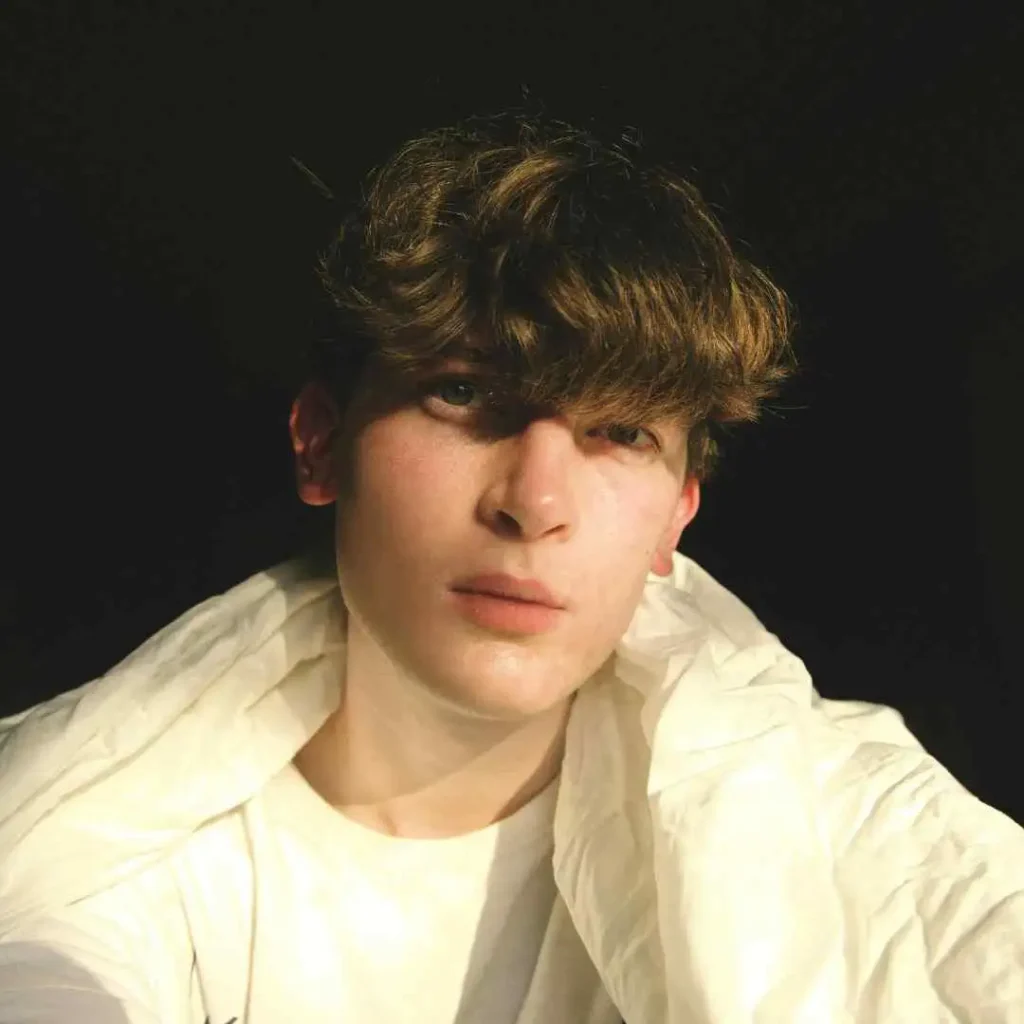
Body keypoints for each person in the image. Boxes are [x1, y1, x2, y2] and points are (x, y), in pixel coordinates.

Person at [1, 111, 1022, 1024]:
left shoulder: (837, 814)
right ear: (320, 440)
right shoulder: (104, 853)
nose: (532, 502)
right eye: (461, 393)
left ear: (677, 514)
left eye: (619, 431)